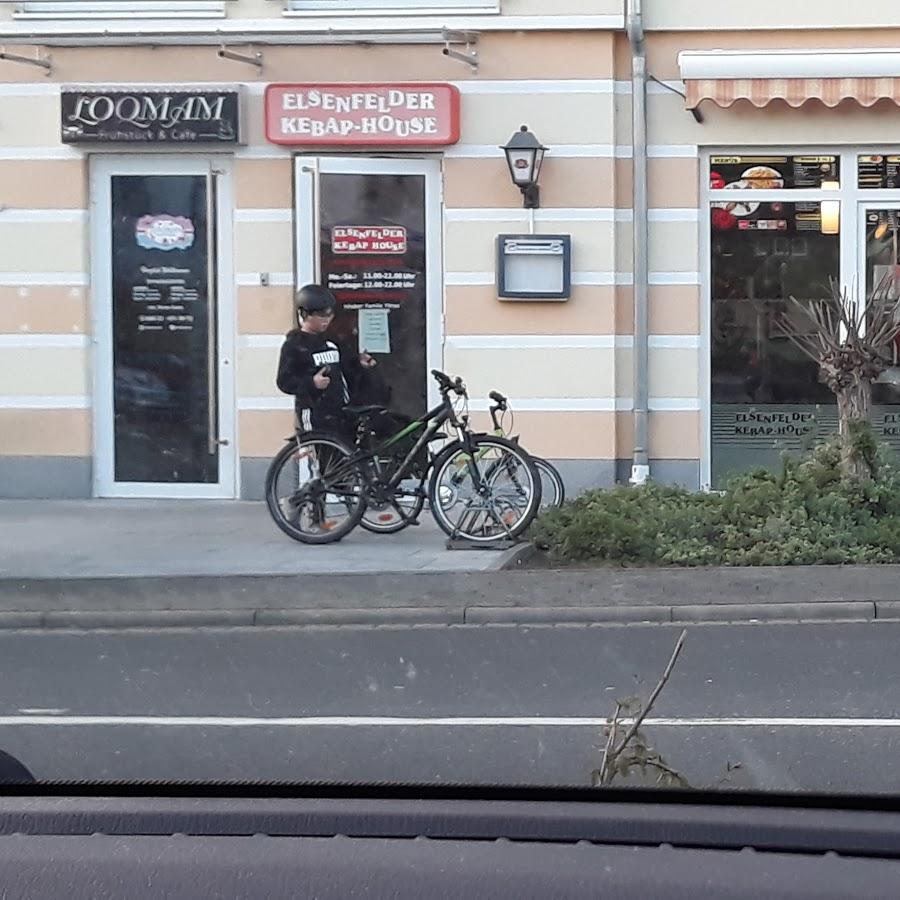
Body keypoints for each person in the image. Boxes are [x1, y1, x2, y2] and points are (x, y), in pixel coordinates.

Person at [275, 284, 377, 444]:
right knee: (324, 461)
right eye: (321, 315)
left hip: (340, 412)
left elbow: (344, 367)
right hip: (315, 413)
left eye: (329, 314)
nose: (326, 319)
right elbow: (284, 381)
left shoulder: (331, 341)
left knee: (346, 459)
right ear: (304, 314)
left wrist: (359, 362)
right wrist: (312, 383)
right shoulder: (294, 345)